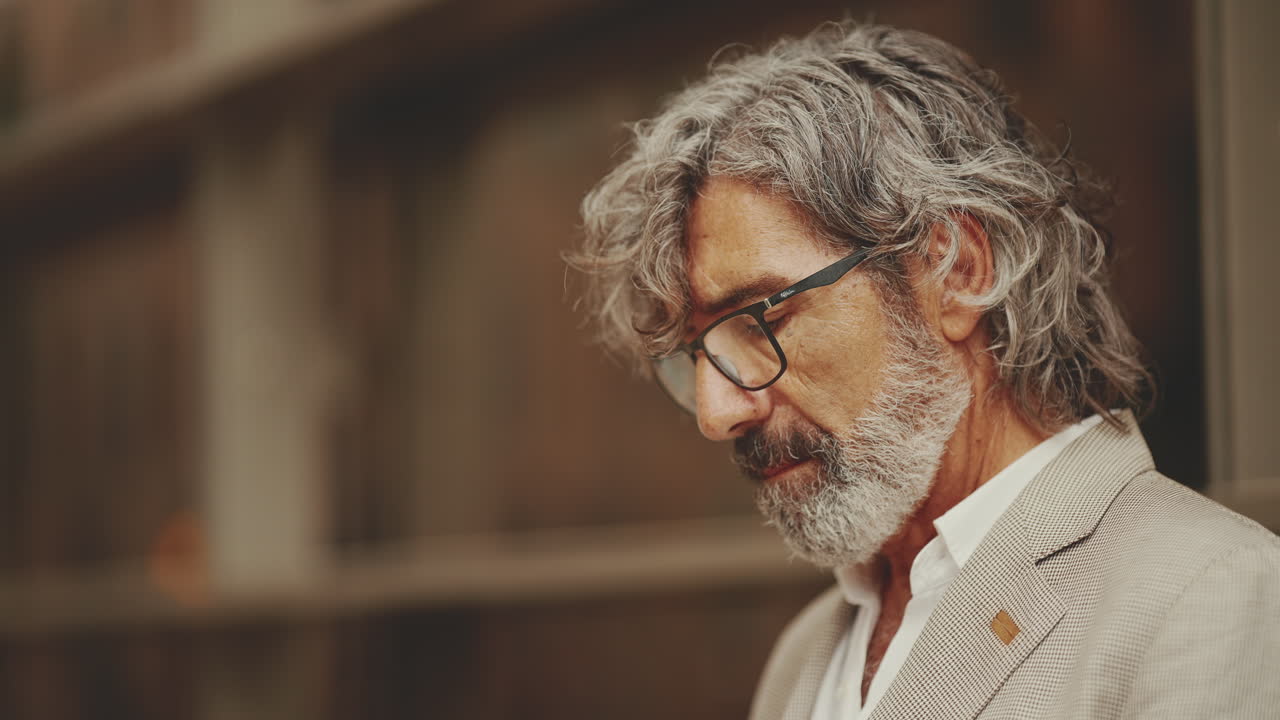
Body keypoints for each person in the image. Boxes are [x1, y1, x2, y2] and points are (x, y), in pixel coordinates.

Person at [568, 21, 1279, 720]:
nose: (717, 413)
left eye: (760, 321)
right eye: (695, 354)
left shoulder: (1213, 596)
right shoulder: (806, 652)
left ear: (957, 271)